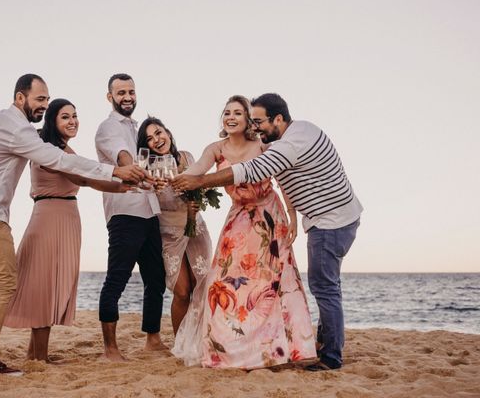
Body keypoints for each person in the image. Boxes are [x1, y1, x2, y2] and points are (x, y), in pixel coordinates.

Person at [0, 74, 146, 375]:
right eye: (39, 99)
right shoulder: (18, 131)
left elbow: (69, 166)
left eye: (46, 99)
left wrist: (117, 181)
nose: (43, 105)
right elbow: (65, 164)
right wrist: (116, 171)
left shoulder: (0, 122)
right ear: (20, 98)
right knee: (4, 283)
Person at [172, 93, 363, 371]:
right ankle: (318, 343)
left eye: (256, 119)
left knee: (307, 285)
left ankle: (330, 355)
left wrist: (197, 182)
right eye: (230, 113)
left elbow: (252, 171)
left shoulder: (278, 147)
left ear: (278, 119)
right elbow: (201, 167)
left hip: (321, 221)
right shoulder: (299, 130)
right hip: (314, 217)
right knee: (225, 282)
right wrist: (182, 177)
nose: (254, 124)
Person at [4, 99, 131, 362]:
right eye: (65, 117)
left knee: (50, 283)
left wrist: (124, 185)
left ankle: (34, 354)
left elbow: (83, 176)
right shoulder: (47, 150)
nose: (72, 121)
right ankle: (39, 358)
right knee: (43, 284)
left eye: (75, 115)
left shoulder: (65, 149)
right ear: (53, 121)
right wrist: (122, 183)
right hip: (50, 218)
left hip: (66, 217)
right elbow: (82, 178)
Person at [95, 73, 168, 361]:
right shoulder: (107, 128)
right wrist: (140, 171)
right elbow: (124, 157)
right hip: (125, 212)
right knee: (117, 279)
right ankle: (110, 349)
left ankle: (152, 340)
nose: (127, 97)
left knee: (156, 279)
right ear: (109, 96)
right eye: (121, 92)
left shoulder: (139, 127)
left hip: (150, 210)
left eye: (131, 92)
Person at [136, 117, 213, 334]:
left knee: (203, 286)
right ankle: (180, 342)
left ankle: (202, 338)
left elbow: (201, 188)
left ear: (168, 133)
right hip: (169, 234)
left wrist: (196, 204)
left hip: (196, 228)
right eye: (150, 139)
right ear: (146, 145)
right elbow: (144, 199)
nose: (157, 140)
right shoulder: (147, 171)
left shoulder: (187, 157)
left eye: (159, 133)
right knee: (182, 291)